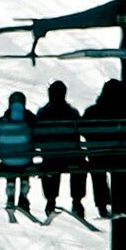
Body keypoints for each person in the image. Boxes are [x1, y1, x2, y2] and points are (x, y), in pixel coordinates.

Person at [33, 80, 84, 219]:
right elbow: (82, 132)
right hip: (71, 158)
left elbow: (37, 137)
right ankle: (77, 201)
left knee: (49, 163)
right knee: (80, 164)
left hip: (51, 158)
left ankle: (51, 200)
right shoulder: (72, 112)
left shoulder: (43, 113)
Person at [83, 77, 126, 218]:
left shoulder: (91, 112)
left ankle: (102, 205)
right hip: (117, 157)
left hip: (97, 156)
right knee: (121, 167)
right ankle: (120, 202)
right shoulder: (124, 113)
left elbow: (82, 130)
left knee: (98, 171)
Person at [0, 90, 36, 215]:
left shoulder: (3, 121)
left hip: (8, 162)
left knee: (9, 159)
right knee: (25, 155)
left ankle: (10, 190)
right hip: (25, 161)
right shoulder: (30, 120)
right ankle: (23, 193)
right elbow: (37, 139)